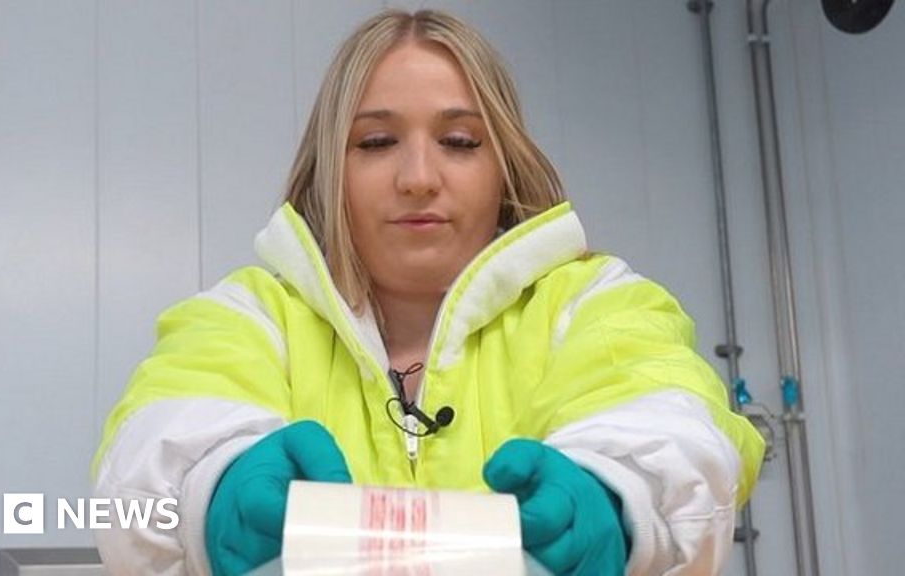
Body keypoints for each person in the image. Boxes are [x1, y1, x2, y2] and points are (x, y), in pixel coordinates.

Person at [92, 9, 765, 576]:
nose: (418, 176)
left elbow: (672, 427)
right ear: (330, 169)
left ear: (504, 165)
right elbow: (152, 451)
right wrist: (212, 488)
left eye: (460, 141)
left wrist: (618, 499)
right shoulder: (249, 316)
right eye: (377, 141)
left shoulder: (595, 304)